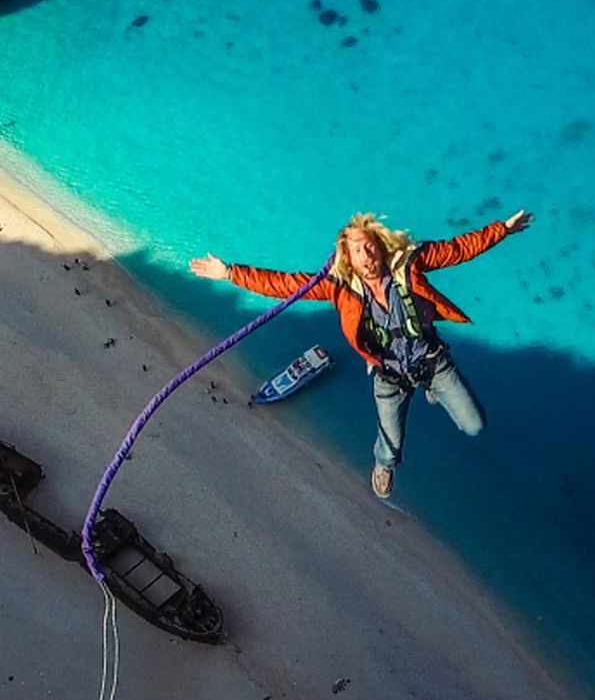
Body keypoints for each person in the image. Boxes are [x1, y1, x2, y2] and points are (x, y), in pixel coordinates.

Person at [190, 209, 533, 498]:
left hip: (432, 362)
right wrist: (230, 272)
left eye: (370, 247)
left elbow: (457, 248)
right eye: (358, 251)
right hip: (389, 376)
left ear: (381, 247)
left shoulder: (409, 263)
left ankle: (432, 392)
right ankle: (383, 465)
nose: (366, 256)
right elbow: (284, 284)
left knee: (474, 426)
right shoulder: (338, 288)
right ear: (347, 258)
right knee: (390, 443)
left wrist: (501, 230)